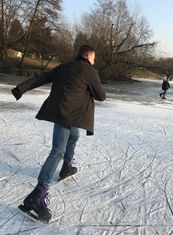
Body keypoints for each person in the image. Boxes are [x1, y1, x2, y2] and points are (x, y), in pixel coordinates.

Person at [11, 45, 106, 222]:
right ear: (87, 56)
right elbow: (101, 96)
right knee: (57, 152)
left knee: (75, 135)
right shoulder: (90, 71)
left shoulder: (64, 66)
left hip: (65, 113)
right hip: (67, 116)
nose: (95, 61)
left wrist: (21, 88)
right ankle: (37, 195)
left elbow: (42, 77)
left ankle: (67, 166)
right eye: (94, 58)